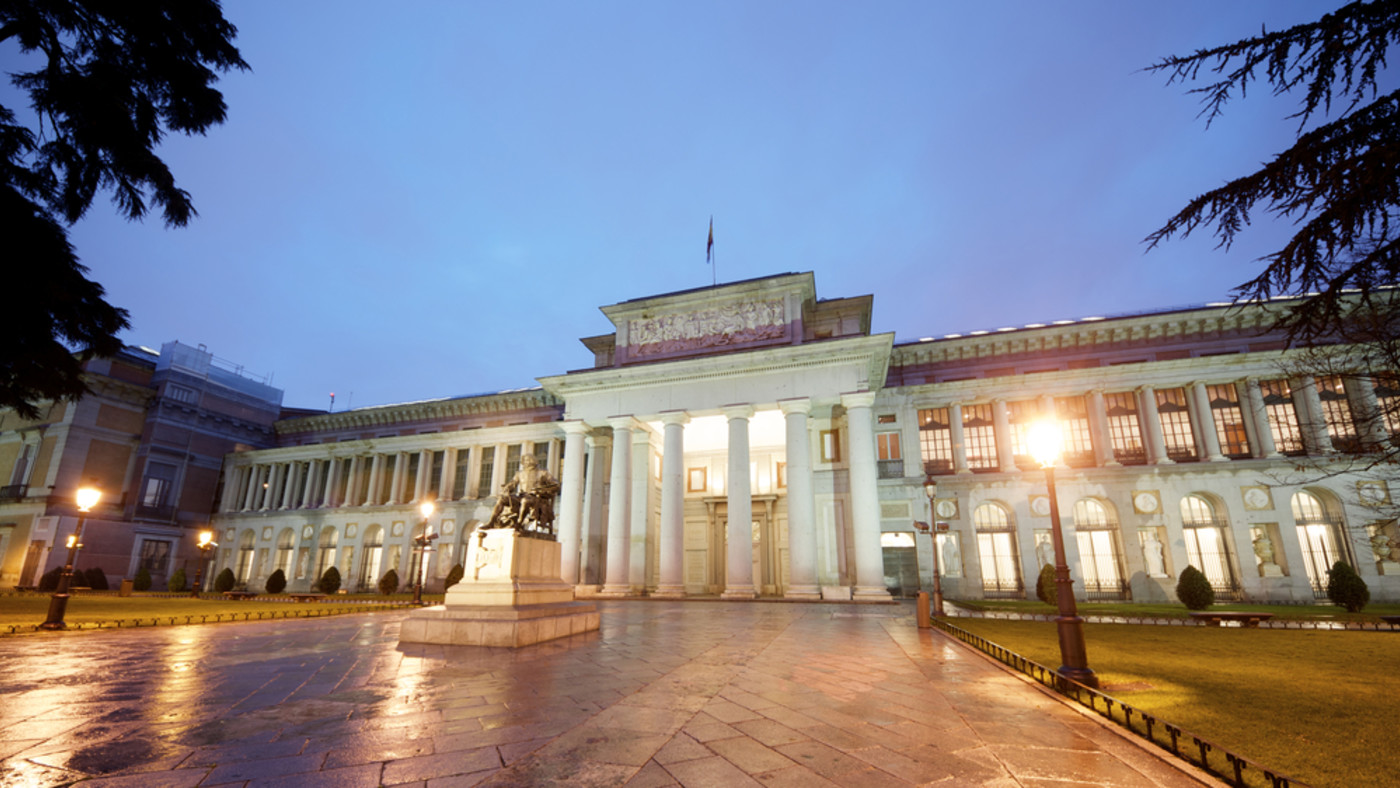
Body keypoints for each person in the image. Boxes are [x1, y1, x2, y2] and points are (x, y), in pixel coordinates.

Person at [487, 453, 561, 535]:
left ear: (534, 461)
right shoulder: (519, 474)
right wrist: (506, 489)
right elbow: (512, 484)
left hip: (536, 498)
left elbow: (556, 485)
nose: (526, 462)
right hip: (521, 496)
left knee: (525, 501)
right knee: (502, 499)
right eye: (525, 460)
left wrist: (541, 490)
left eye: (528, 460)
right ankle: (491, 522)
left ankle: (518, 523)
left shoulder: (543, 473)